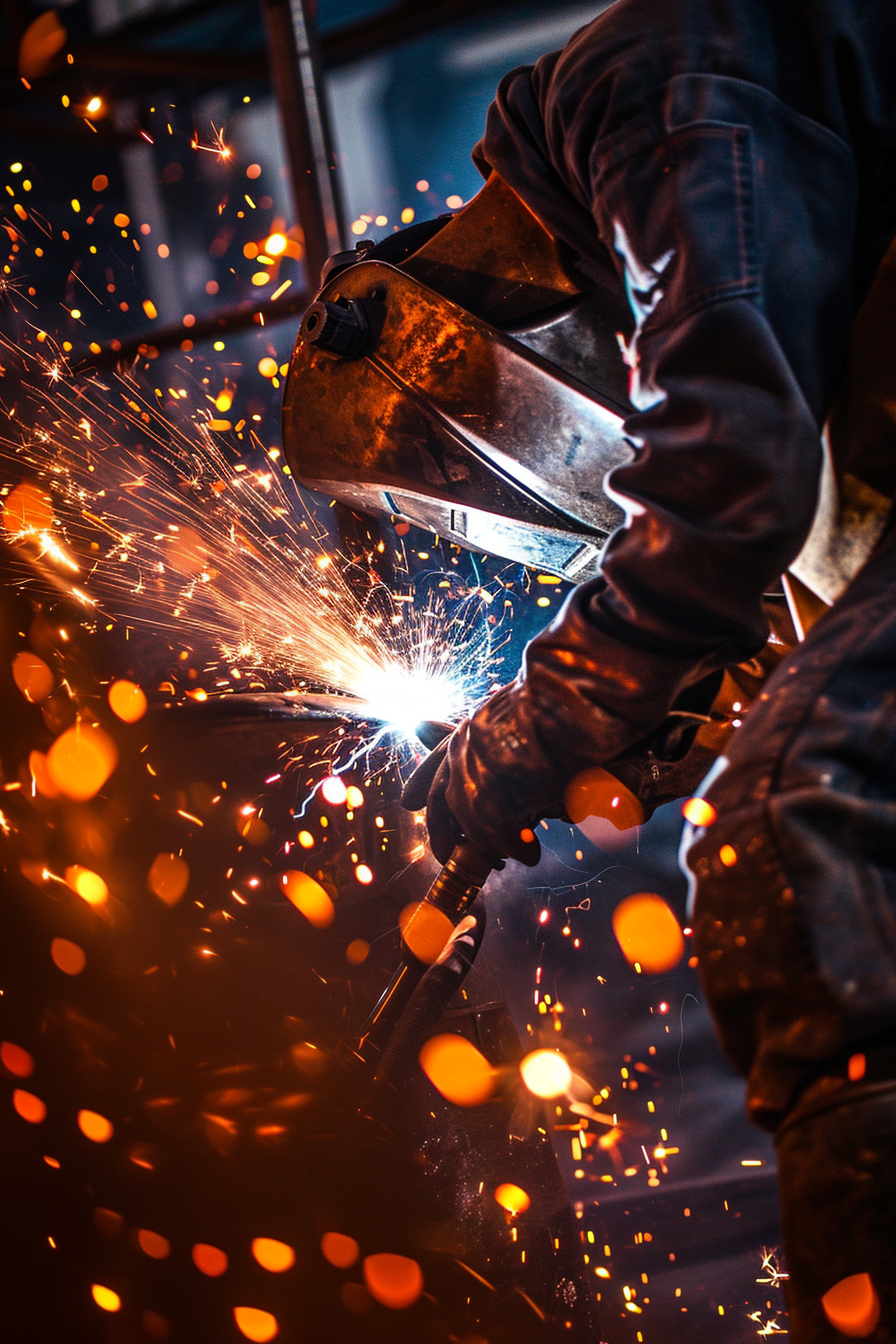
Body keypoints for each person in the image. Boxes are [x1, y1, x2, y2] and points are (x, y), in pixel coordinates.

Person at [402, 2, 896, 1338]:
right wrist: (681, 670)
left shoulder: (637, 85)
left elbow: (727, 464)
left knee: (801, 817)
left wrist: (544, 718)